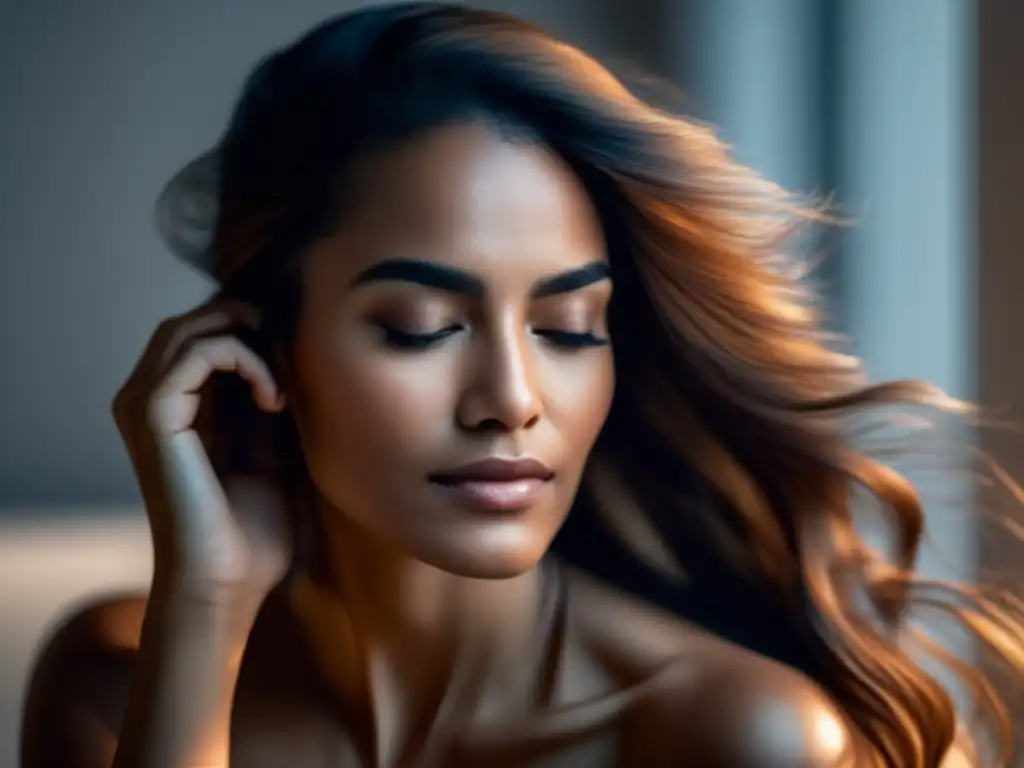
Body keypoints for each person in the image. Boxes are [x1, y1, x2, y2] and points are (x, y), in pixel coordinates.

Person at [18, 3, 1019, 766]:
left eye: (567, 328)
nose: (513, 396)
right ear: (264, 346)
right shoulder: (118, 683)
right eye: (420, 327)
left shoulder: (731, 734)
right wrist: (203, 609)